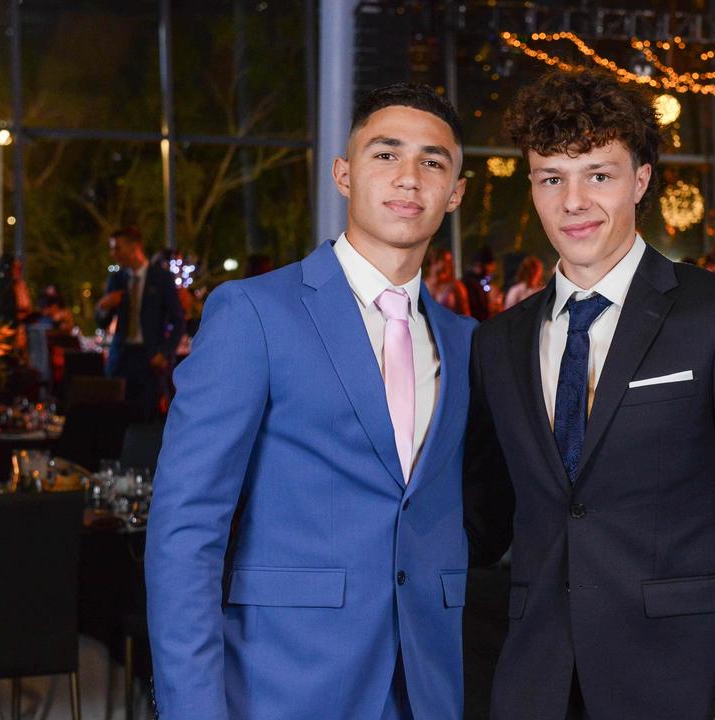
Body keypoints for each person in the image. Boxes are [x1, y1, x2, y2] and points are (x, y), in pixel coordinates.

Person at [465, 69, 715, 720]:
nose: (573, 202)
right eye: (551, 178)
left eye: (599, 174)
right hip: (534, 684)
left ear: (640, 180)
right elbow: (480, 516)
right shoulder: (498, 344)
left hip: (682, 684)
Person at [146, 83, 473, 720]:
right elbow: (186, 531)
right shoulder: (254, 313)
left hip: (426, 689)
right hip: (283, 687)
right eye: (386, 155)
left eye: (432, 162)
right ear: (344, 174)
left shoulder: (466, 344)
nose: (409, 177)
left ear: (454, 192)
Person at [94, 226, 186, 418]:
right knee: (117, 417)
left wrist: (165, 352)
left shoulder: (161, 277)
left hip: (150, 359)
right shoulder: (117, 279)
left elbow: (178, 320)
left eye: (117, 248)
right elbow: (102, 323)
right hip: (121, 359)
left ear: (134, 247)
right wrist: (103, 307)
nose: (114, 254)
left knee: (148, 416)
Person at [424, 244, 471, 315]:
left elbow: (465, 312)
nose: (448, 265)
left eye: (449, 262)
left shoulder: (456, 286)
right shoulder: (424, 284)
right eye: (445, 261)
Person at [462, 245, 502, 320]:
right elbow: (480, 310)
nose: (492, 270)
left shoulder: (474, 281)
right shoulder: (473, 284)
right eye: (491, 265)